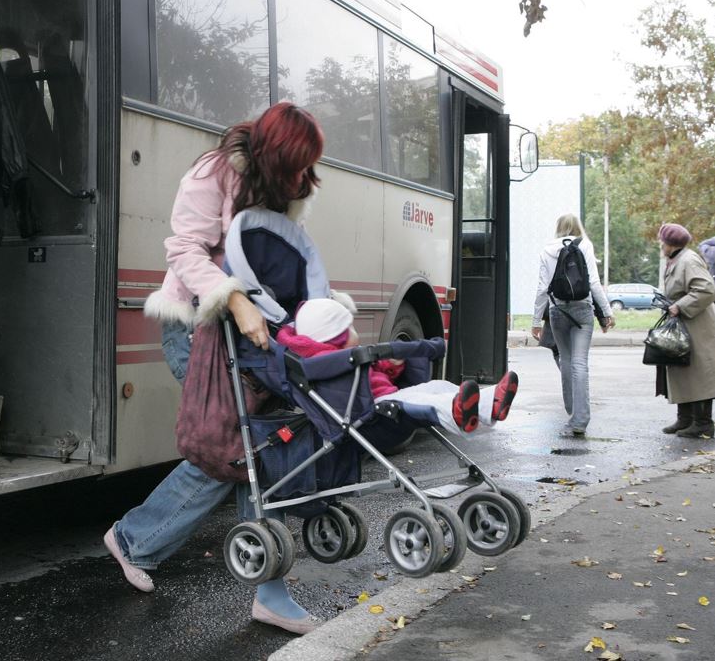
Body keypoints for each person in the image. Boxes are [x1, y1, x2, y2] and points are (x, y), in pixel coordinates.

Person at [103, 102, 329, 635]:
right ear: (272, 155)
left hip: (248, 331)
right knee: (237, 445)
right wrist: (235, 300)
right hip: (197, 325)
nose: (302, 177)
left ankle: (266, 590)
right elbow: (184, 248)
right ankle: (140, 540)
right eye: (296, 165)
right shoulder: (215, 172)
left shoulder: (285, 185)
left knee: (255, 444)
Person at [277, 298, 519, 435]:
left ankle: (490, 404)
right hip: (372, 410)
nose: (355, 332)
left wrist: (392, 365)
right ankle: (457, 413)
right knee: (428, 400)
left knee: (437, 385)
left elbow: (376, 374)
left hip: (387, 398)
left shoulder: (342, 358)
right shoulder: (332, 363)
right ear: (335, 339)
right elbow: (368, 382)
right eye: (348, 329)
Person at [531, 214, 615, 436]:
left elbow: (542, 288)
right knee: (580, 363)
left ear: (558, 227)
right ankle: (580, 419)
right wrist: (607, 311)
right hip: (582, 310)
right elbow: (594, 283)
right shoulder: (584, 245)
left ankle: (571, 412)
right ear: (577, 227)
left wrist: (536, 321)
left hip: (557, 311)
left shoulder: (547, 249)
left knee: (566, 360)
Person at [656, 223, 715, 438]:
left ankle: (703, 423)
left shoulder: (688, 260)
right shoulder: (677, 259)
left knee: (699, 373)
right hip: (685, 324)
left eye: (662, 240)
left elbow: (707, 289)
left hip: (697, 325)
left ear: (670, 243)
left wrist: (680, 306)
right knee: (681, 370)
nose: (660, 244)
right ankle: (685, 419)